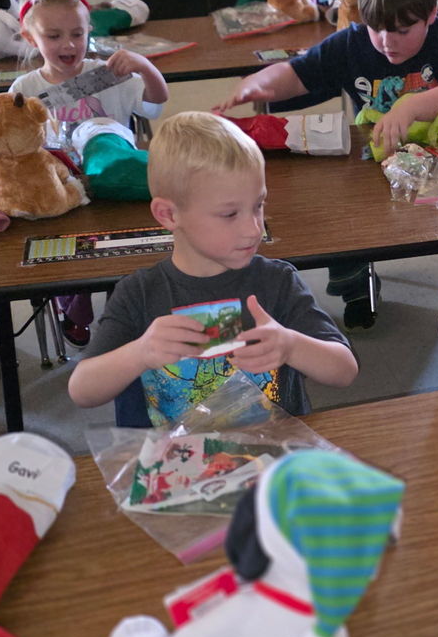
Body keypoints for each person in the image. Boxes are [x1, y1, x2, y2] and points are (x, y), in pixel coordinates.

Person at [214, 0, 438, 331]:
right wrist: (256, 84)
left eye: (402, 30)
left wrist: (410, 106)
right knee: (340, 213)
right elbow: (295, 74)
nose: (386, 41)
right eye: (376, 28)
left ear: (432, 15)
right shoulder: (352, 43)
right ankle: (357, 285)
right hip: (374, 158)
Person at [68, 111, 358, 424]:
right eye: (229, 214)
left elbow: (344, 371)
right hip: (178, 455)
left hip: (270, 447)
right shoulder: (138, 293)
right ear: (168, 215)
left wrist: (291, 346)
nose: (254, 229)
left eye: (258, 206)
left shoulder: (277, 281)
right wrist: (140, 353)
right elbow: (82, 390)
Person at [12, 0, 168, 345]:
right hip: (61, 196)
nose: (68, 45)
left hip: (114, 189)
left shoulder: (108, 74)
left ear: (89, 31)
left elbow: (155, 106)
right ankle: (73, 307)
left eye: (77, 34)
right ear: (29, 37)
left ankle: (120, 313)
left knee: (125, 268)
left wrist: (144, 66)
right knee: (68, 265)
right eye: (54, 36)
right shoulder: (24, 88)